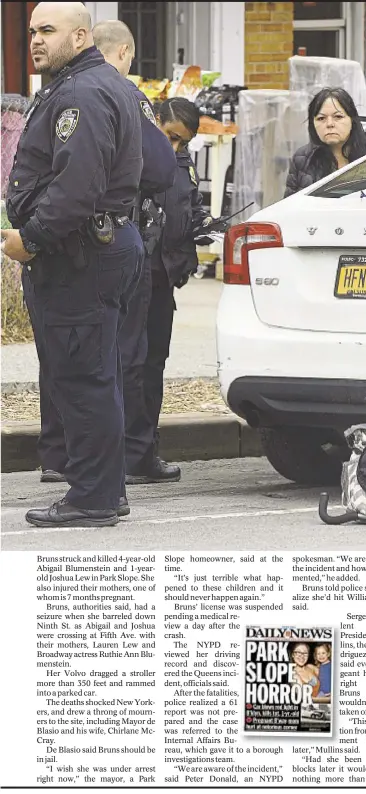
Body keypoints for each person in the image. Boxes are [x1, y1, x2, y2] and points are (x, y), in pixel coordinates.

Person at [2, 2, 143, 527]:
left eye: (48, 31)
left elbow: (77, 186)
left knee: (83, 378)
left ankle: (93, 497)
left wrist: (32, 240)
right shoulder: (90, 85)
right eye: (32, 30)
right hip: (93, 247)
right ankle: (104, 489)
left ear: (81, 35)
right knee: (91, 375)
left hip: (79, 253)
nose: (35, 39)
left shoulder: (81, 94)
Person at [36, 19, 178, 489]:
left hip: (63, 246)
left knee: (67, 355)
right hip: (101, 238)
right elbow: (160, 167)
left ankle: (62, 456)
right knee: (113, 359)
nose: (36, 39)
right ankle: (118, 468)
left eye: (45, 30)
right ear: (125, 54)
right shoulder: (117, 90)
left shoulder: (58, 93)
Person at [126, 97, 213, 484]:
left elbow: (188, 207)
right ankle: (124, 454)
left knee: (153, 365)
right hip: (131, 273)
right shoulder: (133, 153)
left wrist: (206, 225)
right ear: (155, 121)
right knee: (128, 365)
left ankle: (145, 452)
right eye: (171, 137)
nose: (175, 148)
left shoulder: (182, 163)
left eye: (184, 142)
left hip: (164, 275)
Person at [284, 87, 366, 197]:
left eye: (338, 117)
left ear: (352, 120)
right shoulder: (302, 158)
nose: (329, 124)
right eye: (321, 118)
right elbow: (289, 207)